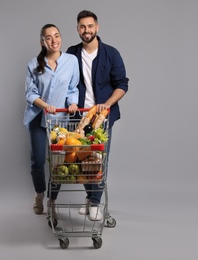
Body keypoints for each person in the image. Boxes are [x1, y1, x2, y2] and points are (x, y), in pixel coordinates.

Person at [67, 10, 129, 221]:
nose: (86, 30)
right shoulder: (71, 53)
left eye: (90, 26)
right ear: (77, 29)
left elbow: (122, 85)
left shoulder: (111, 53)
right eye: (82, 27)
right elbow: (65, 82)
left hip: (102, 118)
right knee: (83, 160)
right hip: (79, 117)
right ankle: (90, 198)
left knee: (99, 160)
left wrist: (107, 105)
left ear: (97, 27)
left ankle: (95, 202)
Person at [23, 24, 79, 217]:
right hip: (39, 117)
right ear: (42, 41)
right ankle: (39, 194)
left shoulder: (71, 61)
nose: (54, 40)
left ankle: (52, 201)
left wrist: (72, 103)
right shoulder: (33, 64)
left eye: (57, 36)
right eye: (49, 37)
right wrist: (45, 105)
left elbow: (73, 88)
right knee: (37, 161)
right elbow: (30, 93)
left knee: (58, 163)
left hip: (60, 120)